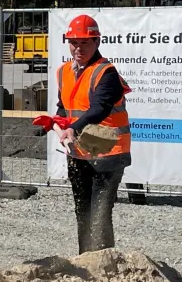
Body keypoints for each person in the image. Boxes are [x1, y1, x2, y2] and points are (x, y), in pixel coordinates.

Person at [56, 14, 132, 253]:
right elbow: (64, 106)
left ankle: (103, 268)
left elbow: (100, 108)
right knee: (83, 212)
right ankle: (85, 261)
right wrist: (55, 120)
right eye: (74, 42)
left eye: (85, 42)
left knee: (99, 215)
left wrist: (72, 127)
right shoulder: (64, 71)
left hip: (108, 153)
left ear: (97, 42)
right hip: (79, 152)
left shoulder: (106, 73)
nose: (78, 48)